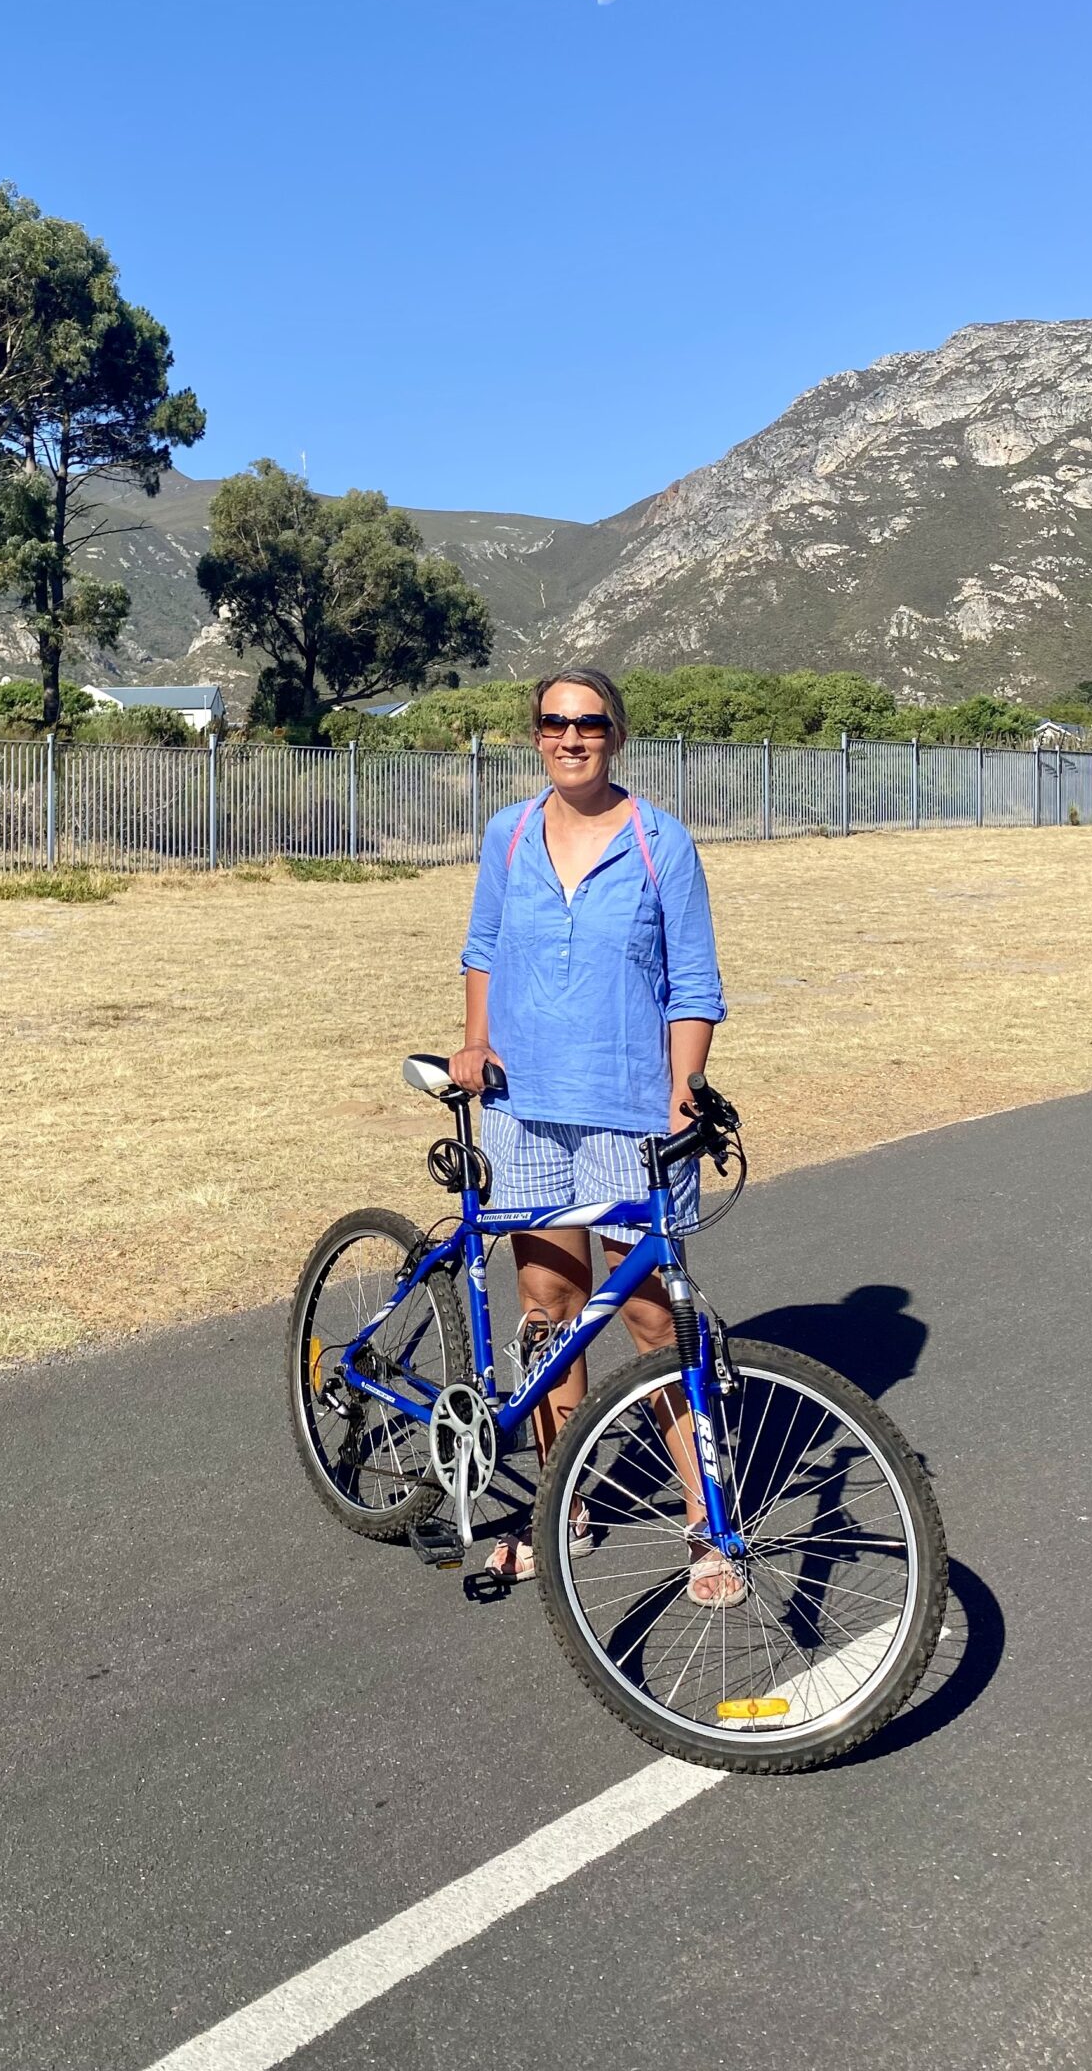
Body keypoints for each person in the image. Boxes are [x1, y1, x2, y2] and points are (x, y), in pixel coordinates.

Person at [448, 667, 740, 1603]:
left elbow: (694, 983)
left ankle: (707, 1522)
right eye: (553, 721)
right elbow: (484, 948)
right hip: (525, 1107)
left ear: (616, 734)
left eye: (588, 722)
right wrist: (475, 1041)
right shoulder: (509, 833)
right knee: (549, 1307)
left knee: (652, 1316)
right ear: (536, 733)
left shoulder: (660, 841)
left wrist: (685, 1092)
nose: (570, 736)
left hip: (630, 1112)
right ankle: (559, 1505)